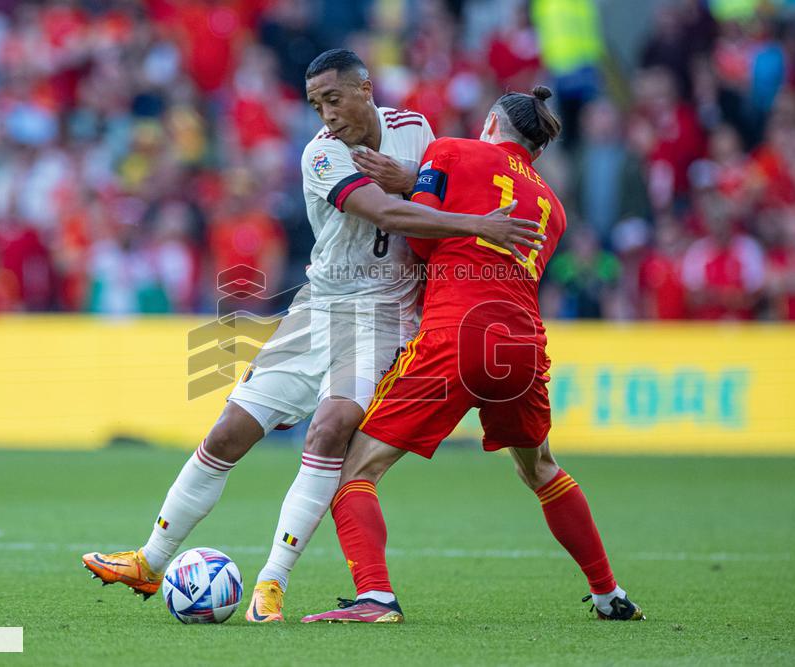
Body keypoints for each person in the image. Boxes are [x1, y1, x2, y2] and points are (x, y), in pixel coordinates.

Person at [81, 49, 544, 623]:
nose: (325, 114)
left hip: (382, 318)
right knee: (228, 432)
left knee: (328, 429)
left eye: (333, 98)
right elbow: (392, 215)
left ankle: (272, 582)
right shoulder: (321, 155)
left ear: (365, 89)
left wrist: (422, 187)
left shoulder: (415, 129)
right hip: (317, 309)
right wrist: (476, 223)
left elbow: (433, 192)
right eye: (315, 104)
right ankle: (151, 562)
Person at [302, 87, 644, 624]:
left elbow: (418, 241)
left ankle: (375, 597)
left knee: (356, 469)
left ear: (490, 123)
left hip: (456, 332)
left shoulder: (451, 151)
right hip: (522, 344)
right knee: (542, 471)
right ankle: (609, 593)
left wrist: (412, 186)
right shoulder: (553, 207)